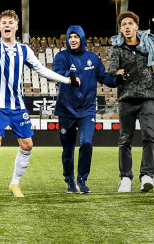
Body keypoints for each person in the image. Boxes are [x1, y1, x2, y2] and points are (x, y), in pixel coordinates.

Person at [0, 10, 77, 198]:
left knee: (27, 145)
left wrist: (66, 80)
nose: (7, 25)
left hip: (17, 106)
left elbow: (41, 70)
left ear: (16, 26)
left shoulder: (24, 50)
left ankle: (14, 184)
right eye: (3, 23)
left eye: (11, 22)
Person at [52, 26, 121, 194]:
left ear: (82, 38)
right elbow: (57, 72)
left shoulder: (93, 58)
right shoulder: (61, 56)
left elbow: (104, 77)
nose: (73, 40)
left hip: (87, 110)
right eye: (70, 37)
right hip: (66, 110)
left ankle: (82, 179)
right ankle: (69, 180)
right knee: (68, 149)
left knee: (87, 143)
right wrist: (71, 75)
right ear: (67, 39)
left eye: (76, 36)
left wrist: (117, 79)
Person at [107, 11, 154, 193]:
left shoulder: (150, 46)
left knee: (149, 136)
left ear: (136, 26)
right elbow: (111, 71)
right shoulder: (117, 49)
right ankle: (125, 178)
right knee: (125, 139)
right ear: (121, 30)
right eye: (123, 25)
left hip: (148, 97)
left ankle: (147, 176)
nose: (126, 27)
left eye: (129, 23)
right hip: (126, 98)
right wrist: (118, 75)